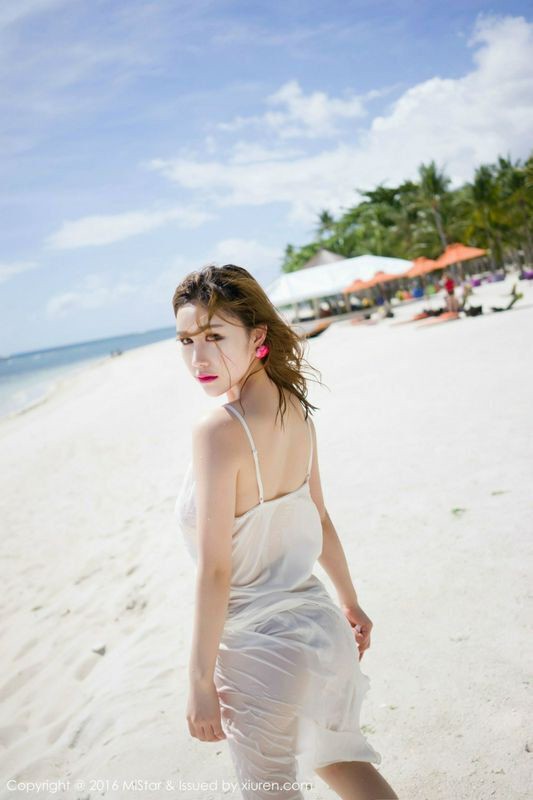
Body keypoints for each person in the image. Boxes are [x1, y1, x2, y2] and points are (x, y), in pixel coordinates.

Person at [173, 264, 398, 800]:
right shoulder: (297, 410)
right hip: (321, 630)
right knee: (343, 764)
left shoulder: (218, 431)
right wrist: (350, 602)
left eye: (214, 337)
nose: (198, 358)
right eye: (186, 341)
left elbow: (216, 570)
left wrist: (200, 681)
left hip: (258, 647)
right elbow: (319, 516)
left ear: (257, 337)